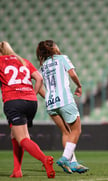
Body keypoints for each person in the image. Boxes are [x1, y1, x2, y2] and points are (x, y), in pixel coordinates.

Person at [0, 41, 55, 178]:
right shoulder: (23, 61)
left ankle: (44, 159)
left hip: (13, 101)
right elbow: (39, 78)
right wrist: (32, 94)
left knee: (22, 138)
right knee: (16, 135)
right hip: (31, 102)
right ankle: (17, 171)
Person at [36, 40, 88, 174]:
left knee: (66, 132)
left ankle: (74, 162)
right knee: (76, 130)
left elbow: (39, 84)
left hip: (51, 103)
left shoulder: (43, 67)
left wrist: (48, 97)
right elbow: (72, 74)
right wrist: (79, 86)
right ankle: (65, 159)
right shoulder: (62, 58)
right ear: (53, 48)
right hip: (65, 100)